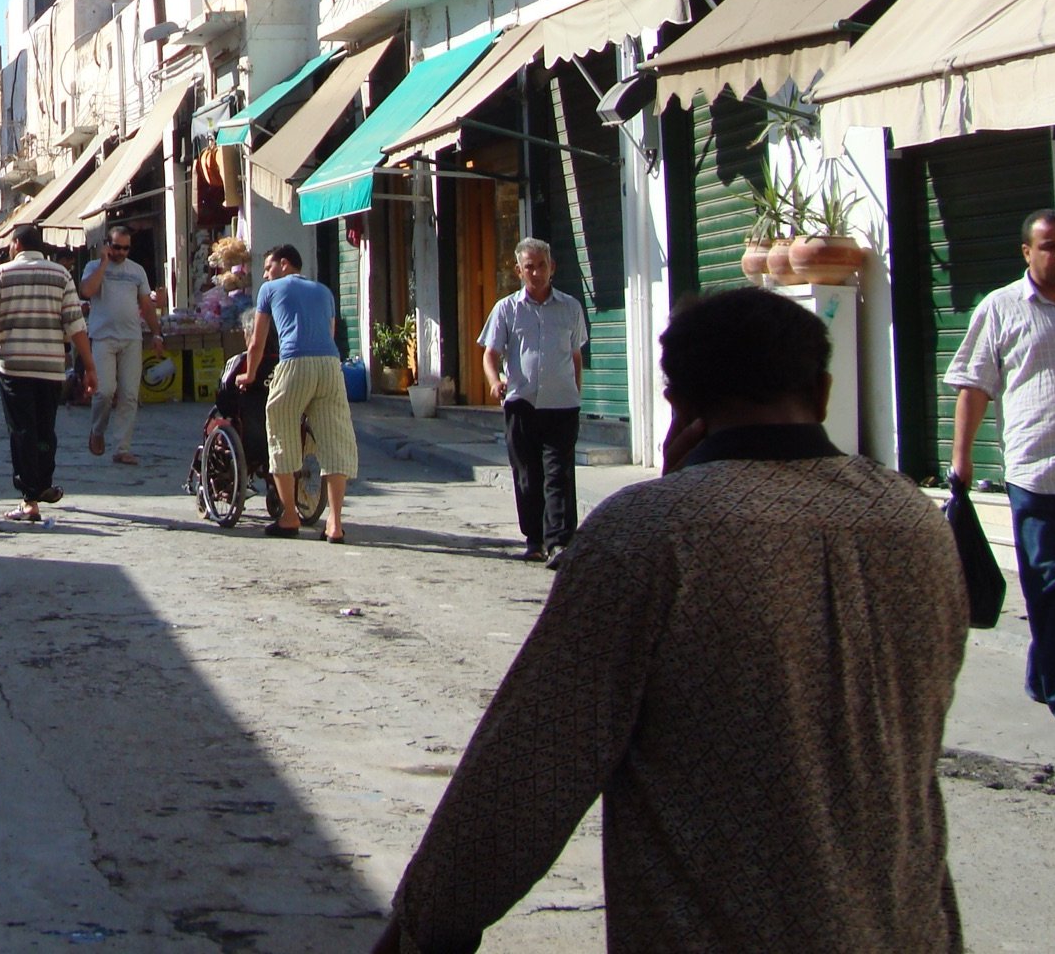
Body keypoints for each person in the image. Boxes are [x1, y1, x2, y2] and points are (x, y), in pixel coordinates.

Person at [376, 287, 969, 954]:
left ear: (678, 404)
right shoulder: (912, 521)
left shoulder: (652, 535)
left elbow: (531, 766)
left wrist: (427, 924)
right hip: (909, 929)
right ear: (824, 392)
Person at [947, 208, 1055, 732]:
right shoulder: (1001, 308)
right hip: (1038, 471)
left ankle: (1043, 674)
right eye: (1050, 245)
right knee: (1052, 581)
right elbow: (974, 385)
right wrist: (962, 459)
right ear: (1027, 252)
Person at [238, 244, 358, 543]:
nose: (265, 274)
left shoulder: (270, 290)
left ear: (284, 263)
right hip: (330, 366)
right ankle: (335, 523)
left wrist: (250, 375)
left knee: (280, 430)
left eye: (268, 267)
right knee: (334, 440)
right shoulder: (324, 291)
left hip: (294, 363)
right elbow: (329, 335)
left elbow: (257, 343)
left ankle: (289, 516)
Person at [0, 225, 95, 523]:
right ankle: (43, 482)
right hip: (51, 367)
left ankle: (30, 498)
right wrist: (90, 366)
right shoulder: (60, 275)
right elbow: (76, 325)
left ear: (17, 244)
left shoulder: (1, 274)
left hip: (15, 366)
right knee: (45, 428)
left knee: (22, 430)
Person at [479, 237, 586, 562]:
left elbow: (576, 355)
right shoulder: (506, 309)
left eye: (542, 266)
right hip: (521, 404)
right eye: (530, 267)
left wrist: (575, 393)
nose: (537, 273)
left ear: (552, 268)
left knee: (558, 474)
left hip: (562, 405)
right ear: (518, 271)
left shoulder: (570, 307)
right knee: (527, 476)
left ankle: (559, 542)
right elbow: (490, 354)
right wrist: (495, 381)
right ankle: (534, 539)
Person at [80, 227, 163, 465]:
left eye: (126, 248)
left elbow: (146, 304)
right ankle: (97, 430)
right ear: (108, 245)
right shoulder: (93, 268)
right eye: (117, 247)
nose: (121, 252)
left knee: (129, 394)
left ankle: (122, 447)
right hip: (103, 337)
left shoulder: (137, 271)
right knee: (104, 391)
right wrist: (104, 263)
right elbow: (86, 291)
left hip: (131, 338)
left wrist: (157, 334)